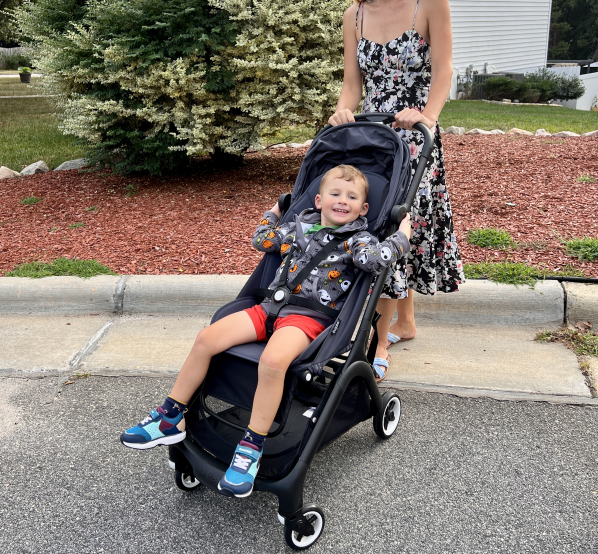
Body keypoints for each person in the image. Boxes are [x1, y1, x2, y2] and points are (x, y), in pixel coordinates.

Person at [121, 164, 411, 498]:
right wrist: (276, 210)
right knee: (206, 339)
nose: (342, 200)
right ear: (318, 200)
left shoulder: (358, 241)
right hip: (268, 307)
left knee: (272, 362)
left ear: (363, 209)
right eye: (335, 194)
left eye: (351, 197)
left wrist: (402, 234)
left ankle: (251, 447)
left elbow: (378, 260)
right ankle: (170, 417)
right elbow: (263, 240)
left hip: (307, 318)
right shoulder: (298, 226)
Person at [328, 0, 464, 376]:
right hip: (372, 136)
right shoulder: (355, 14)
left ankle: (383, 335)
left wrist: (427, 115)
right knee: (380, 219)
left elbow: (444, 71)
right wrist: (344, 111)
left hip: (415, 133)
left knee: (400, 223)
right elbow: (352, 83)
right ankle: (402, 320)